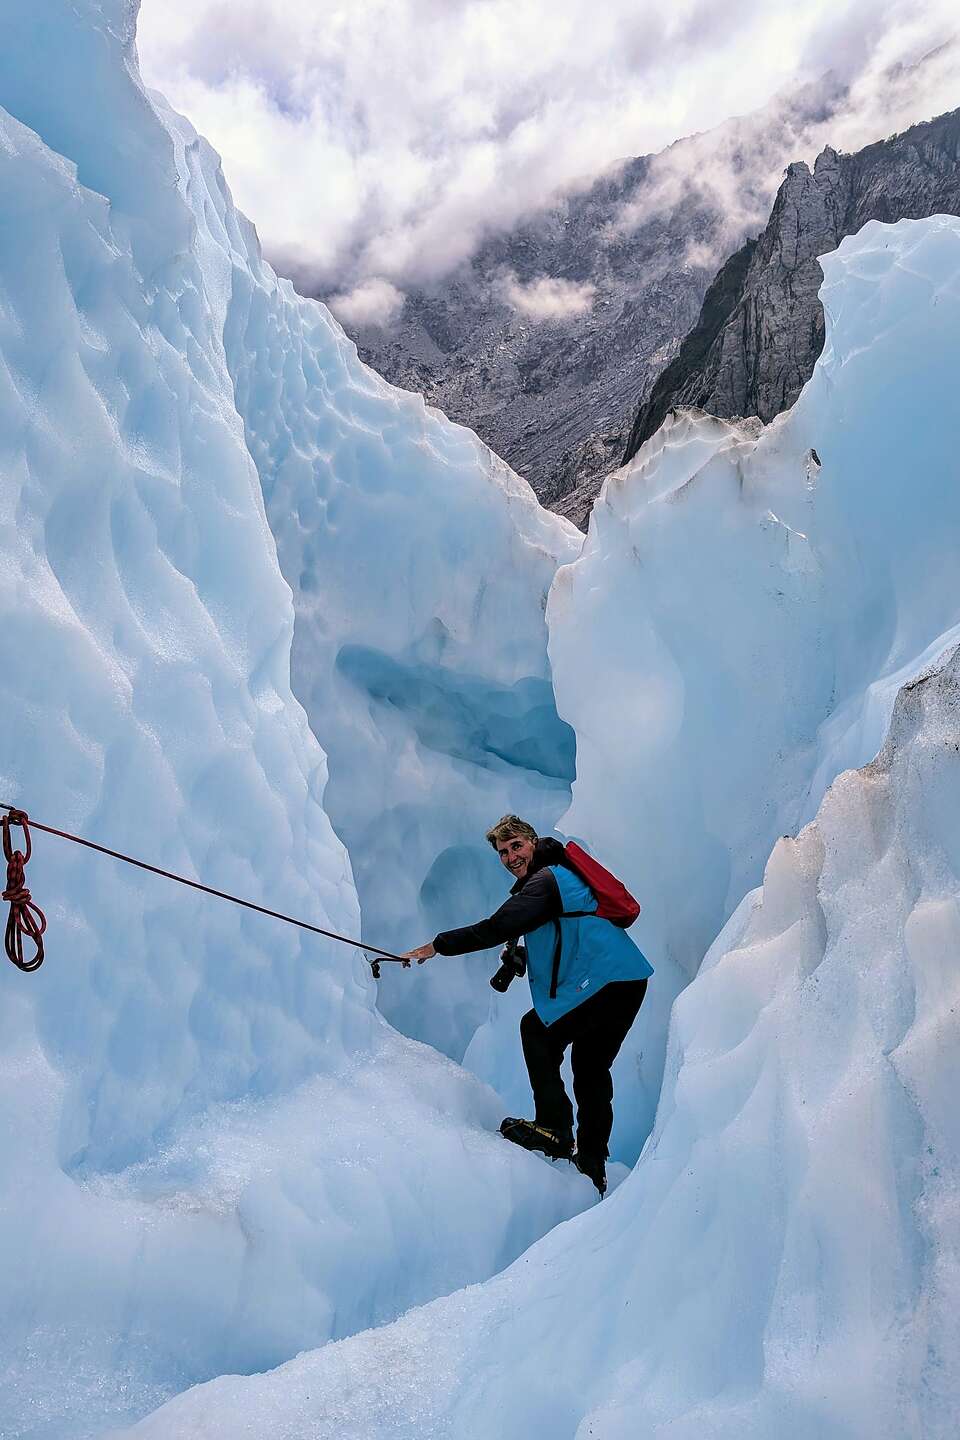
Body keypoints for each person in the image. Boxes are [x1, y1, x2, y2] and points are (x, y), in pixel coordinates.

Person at [403, 815, 653, 1195]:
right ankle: (591, 1162)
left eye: (516, 846)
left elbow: (495, 927)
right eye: (503, 852)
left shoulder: (546, 881)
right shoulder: (550, 879)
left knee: (536, 1031)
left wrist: (438, 945)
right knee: (589, 1067)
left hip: (608, 981)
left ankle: (554, 1129)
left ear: (533, 842)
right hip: (624, 981)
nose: (510, 857)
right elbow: (563, 928)